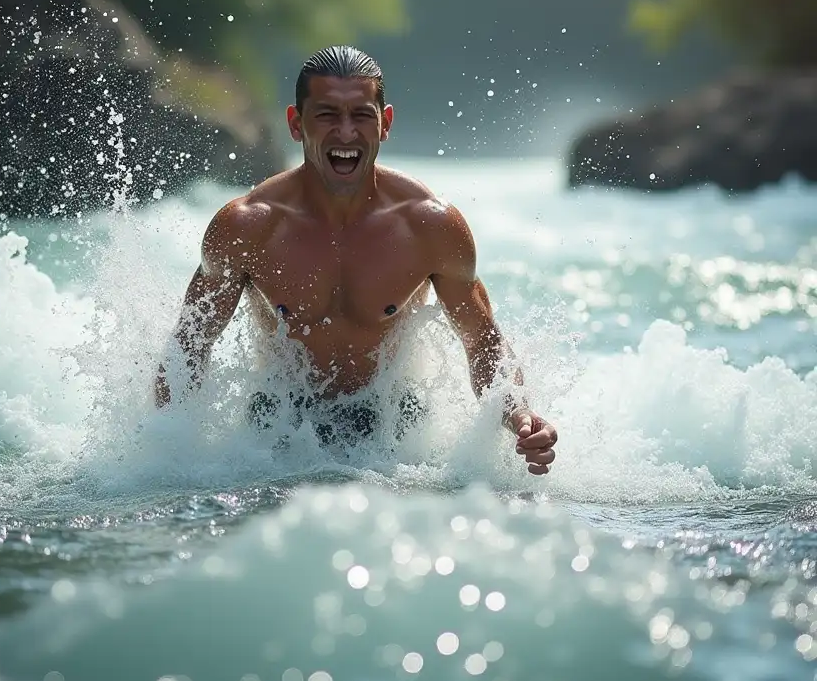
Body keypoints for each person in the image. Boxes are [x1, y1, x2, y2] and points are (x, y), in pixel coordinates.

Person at [155, 46, 558, 474]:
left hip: (392, 425)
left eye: (361, 115)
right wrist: (166, 451)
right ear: (297, 123)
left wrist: (520, 416)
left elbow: (482, 342)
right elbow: (189, 346)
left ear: (384, 124)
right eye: (327, 115)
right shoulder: (248, 227)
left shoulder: (429, 226)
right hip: (278, 427)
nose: (345, 133)